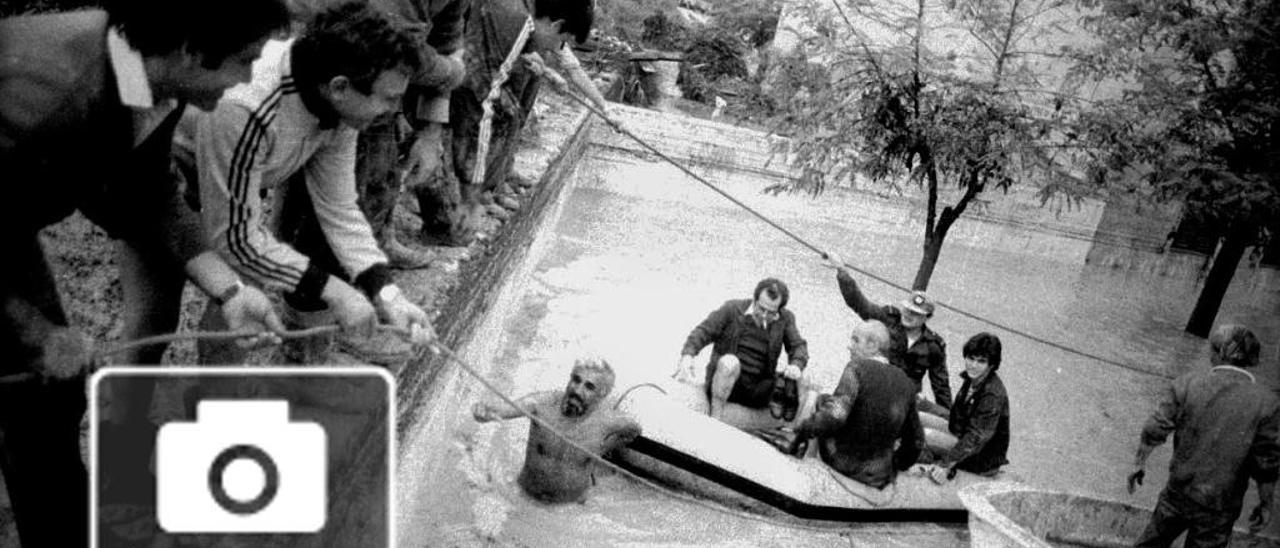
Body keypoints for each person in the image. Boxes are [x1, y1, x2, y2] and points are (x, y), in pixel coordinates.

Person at [0, 1, 291, 544]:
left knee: (47, 396)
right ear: (189, 50)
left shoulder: (150, 82)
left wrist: (229, 291)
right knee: (34, 370)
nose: (252, 77)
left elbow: (149, 194)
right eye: (244, 60)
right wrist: (33, 333)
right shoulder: (45, 96)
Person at [187, 2, 436, 365]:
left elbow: (337, 206)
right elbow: (235, 238)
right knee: (155, 316)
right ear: (340, 87)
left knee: (238, 294)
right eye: (389, 99)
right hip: (168, 182)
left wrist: (388, 296)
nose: (394, 111)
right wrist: (335, 291)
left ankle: (213, 394)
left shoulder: (339, 105)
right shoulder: (249, 105)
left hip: (237, 176)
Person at [287, 0, 471, 267]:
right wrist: (453, 72)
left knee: (380, 173)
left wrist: (431, 131)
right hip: (332, 77)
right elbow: (397, 52)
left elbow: (447, 43)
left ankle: (375, 243)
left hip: (380, 82)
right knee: (323, 183)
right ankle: (307, 268)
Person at [416, 0, 608, 246]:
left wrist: (541, 67)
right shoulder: (516, 19)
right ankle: (445, 208)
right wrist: (471, 196)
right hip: (418, 50)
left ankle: (452, 200)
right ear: (556, 24)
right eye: (561, 41)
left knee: (501, 112)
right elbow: (479, 102)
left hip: (437, 49)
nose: (555, 48)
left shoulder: (523, 14)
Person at [1129, 325, 1280, 547]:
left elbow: (1155, 428)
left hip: (1178, 491)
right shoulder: (1267, 403)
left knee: (1151, 543)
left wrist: (1139, 462)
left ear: (1217, 353)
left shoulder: (1187, 384)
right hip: (1221, 504)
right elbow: (1267, 463)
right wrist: (1266, 503)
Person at [472, 356, 641, 503]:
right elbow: (499, 411)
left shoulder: (608, 421)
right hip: (525, 497)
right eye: (576, 379)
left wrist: (603, 448)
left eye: (589, 387)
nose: (577, 389)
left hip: (570, 507)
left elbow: (634, 431)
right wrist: (482, 412)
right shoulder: (540, 404)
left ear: (602, 395)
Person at [787, 321, 924, 489]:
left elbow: (835, 416)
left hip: (842, 462)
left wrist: (803, 428)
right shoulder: (907, 383)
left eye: (855, 340)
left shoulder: (856, 368)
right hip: (878, 473)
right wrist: (896, 465)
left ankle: (805, 465)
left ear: (873, 345)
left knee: (823, 400)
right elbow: (916, 441)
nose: (849, 346)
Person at [823, 252, 951, 414]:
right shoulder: (889, 319)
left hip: (906, 400)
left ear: (927, 318)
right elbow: (860, 304)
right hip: (878, 389)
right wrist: (841, 271)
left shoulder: (934, 346)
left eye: (916, 313)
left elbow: (941, 388)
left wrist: (949, 418)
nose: (909, 315)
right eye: (908, 309)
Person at [674, 278, 810, 422]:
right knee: (729, 361)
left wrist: (796, 365)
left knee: (803, 377)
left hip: (758, 388)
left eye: (770, 312)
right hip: (727, 380)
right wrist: (688, 356)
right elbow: (703, 332)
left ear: (779, 309)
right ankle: (715, 420)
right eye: (761, 308)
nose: (764, 315)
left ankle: (789, 426)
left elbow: (798, 346)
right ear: (755, 300)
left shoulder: (785, 319)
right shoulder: (732, 309)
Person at [925, 332, 1009, 483]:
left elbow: (975, 439)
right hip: (960, 432)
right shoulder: (973, 379)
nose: (974, 365)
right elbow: (956, 415)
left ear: (991, 365)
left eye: (981, 361)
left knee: (924, 436)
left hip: (979, 456)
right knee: (918, 418)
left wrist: (945, 465)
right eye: (971, 358)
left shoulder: (992, 395)